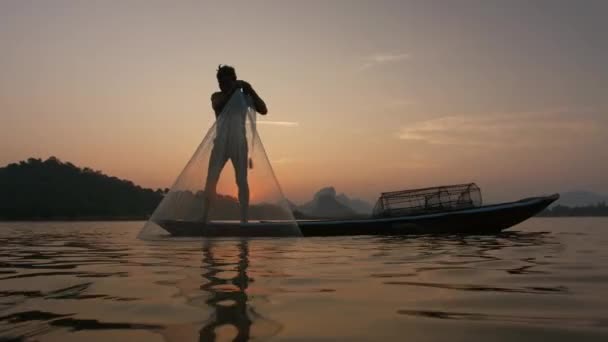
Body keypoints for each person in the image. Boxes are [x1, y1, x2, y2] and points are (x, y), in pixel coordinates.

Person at [201, 65, 267, 224]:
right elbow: (219, 105)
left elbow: (263, 109)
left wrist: (249, 88)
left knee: (241, 181)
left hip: (239, 144)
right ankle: (204, 217)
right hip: (221, 144)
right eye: (220, 82)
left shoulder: (242, 97)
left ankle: (244, 219)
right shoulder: (216, 96)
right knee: (211, 180)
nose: (222, 85)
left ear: (233, 80)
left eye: (226, 82)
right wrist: (233, 89)